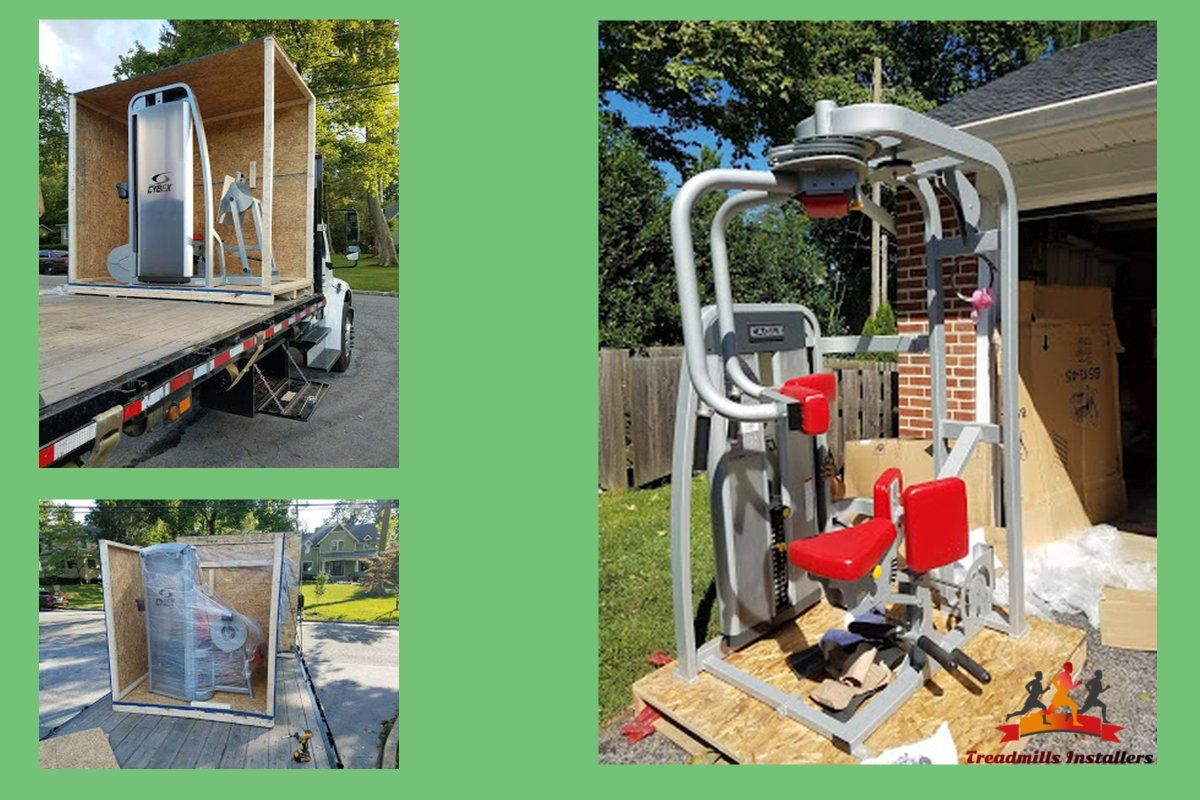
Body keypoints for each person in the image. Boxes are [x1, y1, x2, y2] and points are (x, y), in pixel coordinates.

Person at [1047, 661, 1084, 727]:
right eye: (1070, 668)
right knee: (1052, 709)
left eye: (1071, 668)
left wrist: (1077, 684)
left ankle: (1075, 721)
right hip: (1060, 695)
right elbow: (1054, 681)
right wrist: (1059, 688)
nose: (1071, 669)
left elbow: (1070, 687)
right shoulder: (1063, 675)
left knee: (1052, 708)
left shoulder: (1068, 676)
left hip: (1062, 695)